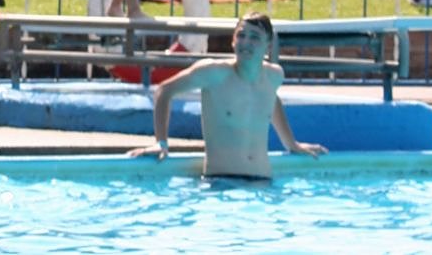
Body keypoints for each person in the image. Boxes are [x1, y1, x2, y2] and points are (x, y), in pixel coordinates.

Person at [128, 12, 326, 179]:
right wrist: (161, 143)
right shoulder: (214, 73)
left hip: (263, 184)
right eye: (241, 35)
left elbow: (271, 100)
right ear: (233, 40)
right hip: (221, 185)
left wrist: (291, 143)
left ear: (268, 46)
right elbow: (164, 91)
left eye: (255, 37)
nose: (246, 42)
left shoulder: (274, 76)